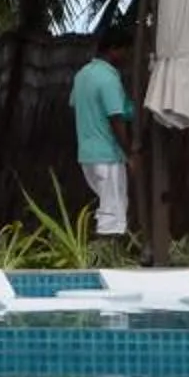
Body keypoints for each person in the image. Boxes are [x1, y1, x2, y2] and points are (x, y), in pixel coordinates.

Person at [72, 30, 136, 240]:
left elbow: (78, 106)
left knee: (107, 207)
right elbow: (116, 119)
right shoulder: (108, 78)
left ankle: (104, 259)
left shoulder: (82, 74)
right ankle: (107, 262)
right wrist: (130, 154)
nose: (127, 56)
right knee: (113, 213)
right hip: (107, 155)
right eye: (126, 50)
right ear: (114, 50)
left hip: (87, 155)